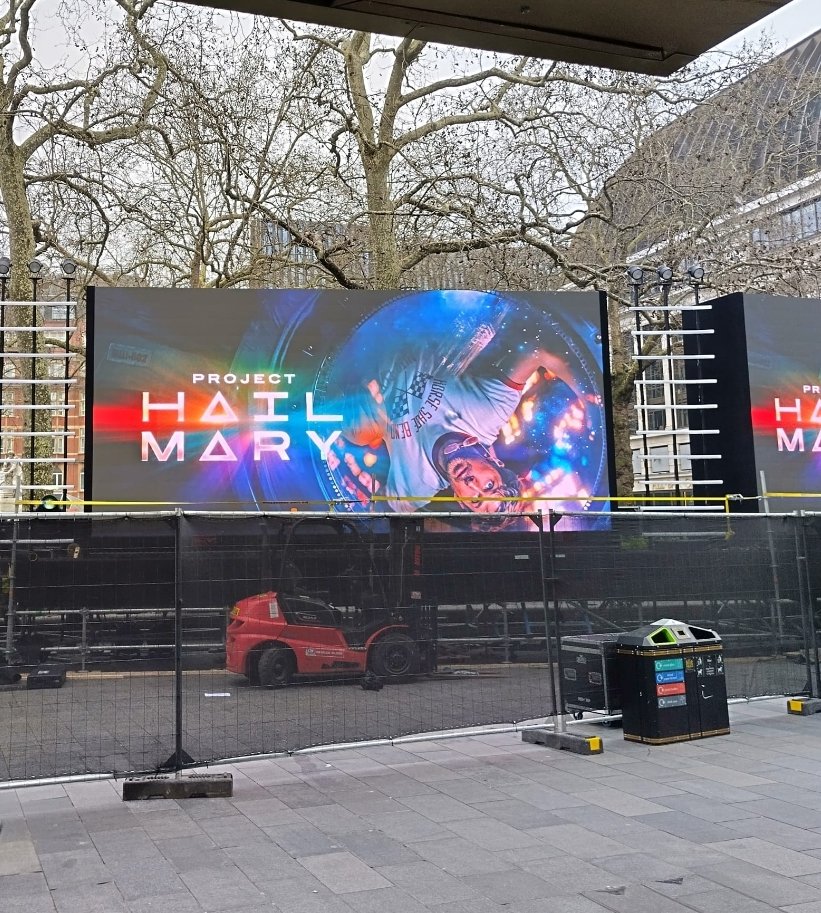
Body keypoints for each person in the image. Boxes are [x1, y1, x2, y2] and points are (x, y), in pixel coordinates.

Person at [340, 305, 585, 521]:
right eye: (490, 485)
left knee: (358, 433)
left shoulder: (413, 489)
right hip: (413, 317)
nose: (473, 484)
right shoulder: (490, 413)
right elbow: (536, 351)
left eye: (476, 500)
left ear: (461, 501)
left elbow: (376, 510)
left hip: (358, 349)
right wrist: (590, 397)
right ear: (497, 463)